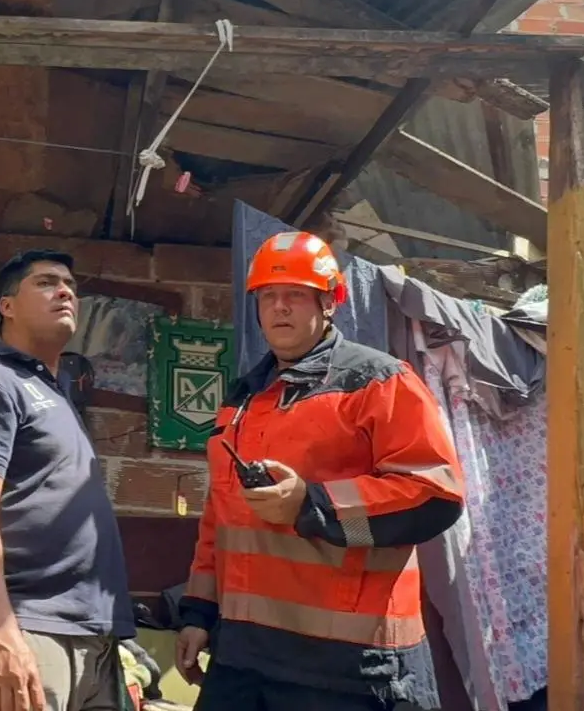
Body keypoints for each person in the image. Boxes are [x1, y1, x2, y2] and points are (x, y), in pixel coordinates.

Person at [176, 231, 465, 711]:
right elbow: (220, 518)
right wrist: (199, 613)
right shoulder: (243, 400)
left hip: (347, 669)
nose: (279, 308)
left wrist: (312, 506)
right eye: (268, 296)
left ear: (330, 301)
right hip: (243, 660)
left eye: (295, 294)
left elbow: (434, 493)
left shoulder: (379, 382)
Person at [0, 249, 134, 711]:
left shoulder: (55, 394)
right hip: (25, 627)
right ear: (6, 305)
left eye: (70, 285)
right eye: (45, 283)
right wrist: (1, 631)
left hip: (90, 638)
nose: (65, 291)